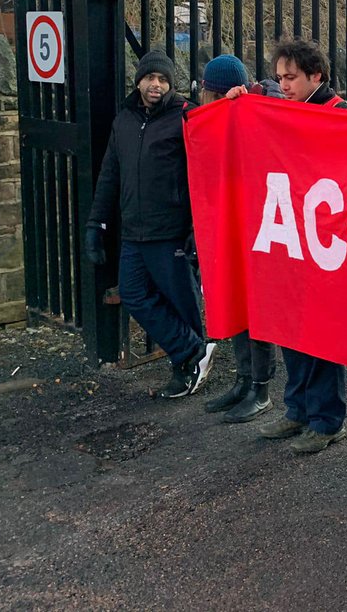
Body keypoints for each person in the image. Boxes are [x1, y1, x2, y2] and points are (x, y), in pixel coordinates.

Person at [85, 49, 215, 398]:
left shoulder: (185, 117)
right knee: (132, 293)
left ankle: (185, 369)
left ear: (170, 84)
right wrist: (96, 224)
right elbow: (110, 174)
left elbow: (205, 172)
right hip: (133, 231)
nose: (155, 85)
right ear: (139, 80)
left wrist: (195, 228)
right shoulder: (124, 120)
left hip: (171, 230)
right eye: (150, 78)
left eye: (162, 79)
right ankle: (192, 350)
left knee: (181, 301)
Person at [256, 38, 347, 454]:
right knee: (290, 328)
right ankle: (296, 409)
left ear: (316, 76)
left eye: (291, 77)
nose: (282, 85)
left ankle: (327, 420)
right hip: (289, 236)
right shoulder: (282, 108)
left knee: (321, 333)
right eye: (279, 77)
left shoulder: (343, 114)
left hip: (325, 241)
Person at [197, 54, 284, 423]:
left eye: (211, 95)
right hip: (230, 219)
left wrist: (254, 98)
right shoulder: (217, 117)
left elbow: (279, 116)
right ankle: (243, 379)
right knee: (232, 300)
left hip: (259, 222)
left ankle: (260, 387)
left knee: (255, 306)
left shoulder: (257, 107)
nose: (206, 101)